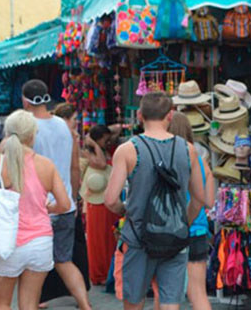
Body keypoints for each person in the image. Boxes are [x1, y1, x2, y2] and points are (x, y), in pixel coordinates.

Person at [105, 92, 205, 310]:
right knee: (170, 302)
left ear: (140, 115)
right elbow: (200, 198)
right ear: (170, 115)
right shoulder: (189, 150)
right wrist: (182, 222)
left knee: (134, 301)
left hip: (138, 237)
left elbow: (111, 200)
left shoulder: (127, 150)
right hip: (175, 237)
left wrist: (126, 211)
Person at [0, 109, 71, 310]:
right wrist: (49, 208)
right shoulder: (46, 165)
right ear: (32, 134)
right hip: (40, 242)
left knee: (1, 303)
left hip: (7, 242)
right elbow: (65, 204)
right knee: (29, 305)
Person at [22, 80, 91, 310]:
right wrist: (73, 197)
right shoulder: (64, 126)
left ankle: (32, 303)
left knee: (31, 263)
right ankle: (84, 304)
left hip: (37, 206)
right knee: (63, 260)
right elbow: (74, 166)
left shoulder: (26, 127)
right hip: (65, 204)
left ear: (25, 100)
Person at [167, 112, 216, 310]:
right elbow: (210, 202)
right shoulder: (202, 162)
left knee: (168, 295)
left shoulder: (166, 159)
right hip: (198, 230)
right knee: (198, 294)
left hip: (169, 231)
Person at [82, 125, 121, 285]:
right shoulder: (88, 152)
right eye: (104, 139)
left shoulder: (105, 148)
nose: (108, 141)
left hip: (108, 198)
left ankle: (109, 271)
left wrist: (94, 136)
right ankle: (99, 273)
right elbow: (102, 164)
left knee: (109, 236)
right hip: (96, 201)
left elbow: (117, 128)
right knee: (99, 238)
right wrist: (92, 142)